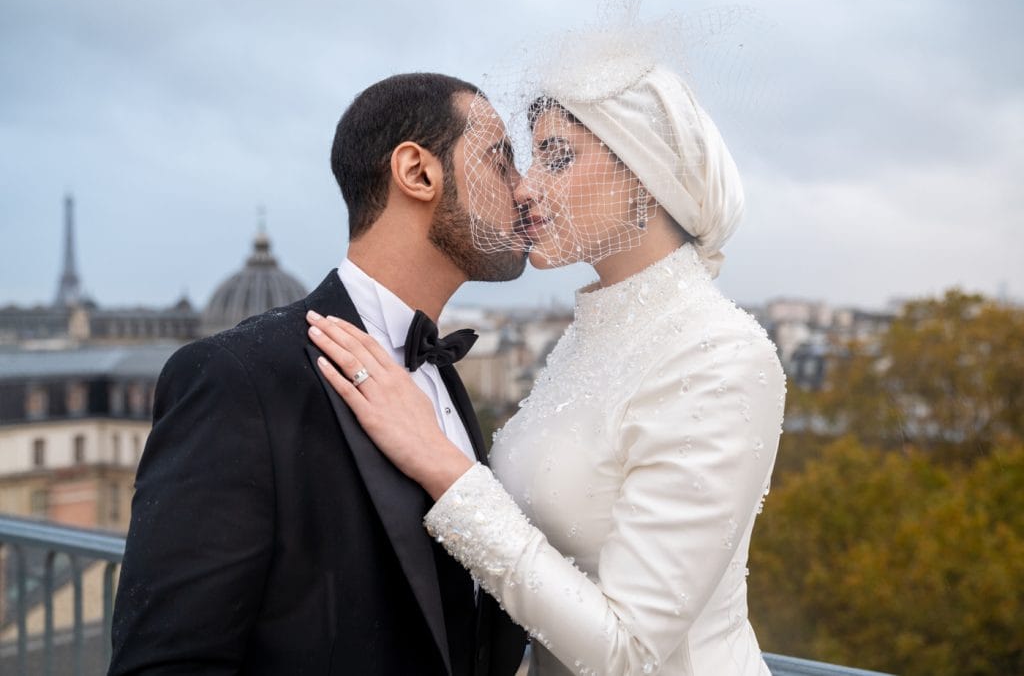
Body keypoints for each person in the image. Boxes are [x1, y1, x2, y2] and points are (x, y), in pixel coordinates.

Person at [307, 57, 787, 674]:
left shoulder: (720, 356)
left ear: (644, 176)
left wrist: (440, 465)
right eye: (528, 160)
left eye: (556, 158)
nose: (526, 188)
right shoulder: (588, 339)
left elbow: (630, 651)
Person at [109, 72, 528, 676]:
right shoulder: (236, 379)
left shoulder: (443, 373)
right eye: (502, 160)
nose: (525, 190)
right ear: (417, 173)